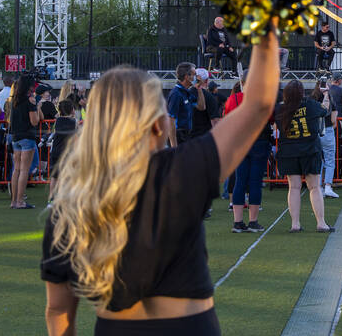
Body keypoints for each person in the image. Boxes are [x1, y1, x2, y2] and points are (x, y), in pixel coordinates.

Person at [42, 29, 281, 335]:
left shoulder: (72, 200)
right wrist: (268, 23)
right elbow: (258, 105)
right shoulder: (180, 169)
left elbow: (59, 311)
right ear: (158, 124)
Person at [275, 81, 334, 233]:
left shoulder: (280, 109)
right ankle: (321, 223)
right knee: (314, 187)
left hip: (289, 151)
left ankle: (295, 224)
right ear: (302, 92)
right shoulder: (311, 105)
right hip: (309, 150)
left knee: (293, 187)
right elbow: (325, 110)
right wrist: (326, 94)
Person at [224, 82, 270, 234]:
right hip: (258, 142)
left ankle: (237, 222)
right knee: (255, 181)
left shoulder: (234, 98)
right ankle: (252, 221)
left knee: (240, 180)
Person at [7, 75, 43, 210]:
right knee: (24, 170)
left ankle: (14, 201)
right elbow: (34, 121)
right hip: (27, 136)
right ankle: (20, 200)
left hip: (16, 136)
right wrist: (37, 107)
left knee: (16, 169)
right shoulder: (29, 100)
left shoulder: (14, 100)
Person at [48, 99, 78, 200]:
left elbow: (53, 133)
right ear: (72, 110)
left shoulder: (57, 121)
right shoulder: (74, 122)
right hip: (67, 152)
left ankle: (51, 198)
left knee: (55, 176)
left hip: (56, 150)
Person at [167, 63, 203, 145]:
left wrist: (199, 88)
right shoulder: (176, 94)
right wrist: (174, 147)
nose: (196, 78)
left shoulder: (187, 93)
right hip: (178, 136)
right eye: (194, 75)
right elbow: (170, 120)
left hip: (187, 135)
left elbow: (201, 107)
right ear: (187, 77)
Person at [315, 82, 340, 199]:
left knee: (318, 160)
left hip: (314, 131)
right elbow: (334, 119)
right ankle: (328, 186)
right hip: (327, 130)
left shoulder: (312, 99)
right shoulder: (330, 99)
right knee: (330, 160)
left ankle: (318, 187)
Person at [189, 69, 221, 139]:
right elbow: (215, 121)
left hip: (186, 139)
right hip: (203, 139)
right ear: (206, 81)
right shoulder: (210, 97)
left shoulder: (185, 94)